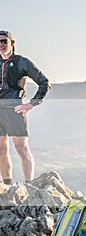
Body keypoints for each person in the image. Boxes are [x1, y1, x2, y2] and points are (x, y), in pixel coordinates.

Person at [0, 30, 51, 184]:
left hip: (15, 111)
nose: (1, 45)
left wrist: (32, 103)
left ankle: (30, 185)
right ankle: (8, 187)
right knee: (1, 151)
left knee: (22, 150)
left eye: (4, 41)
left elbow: (45, 82)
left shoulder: (22, 62)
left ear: (12, 43)